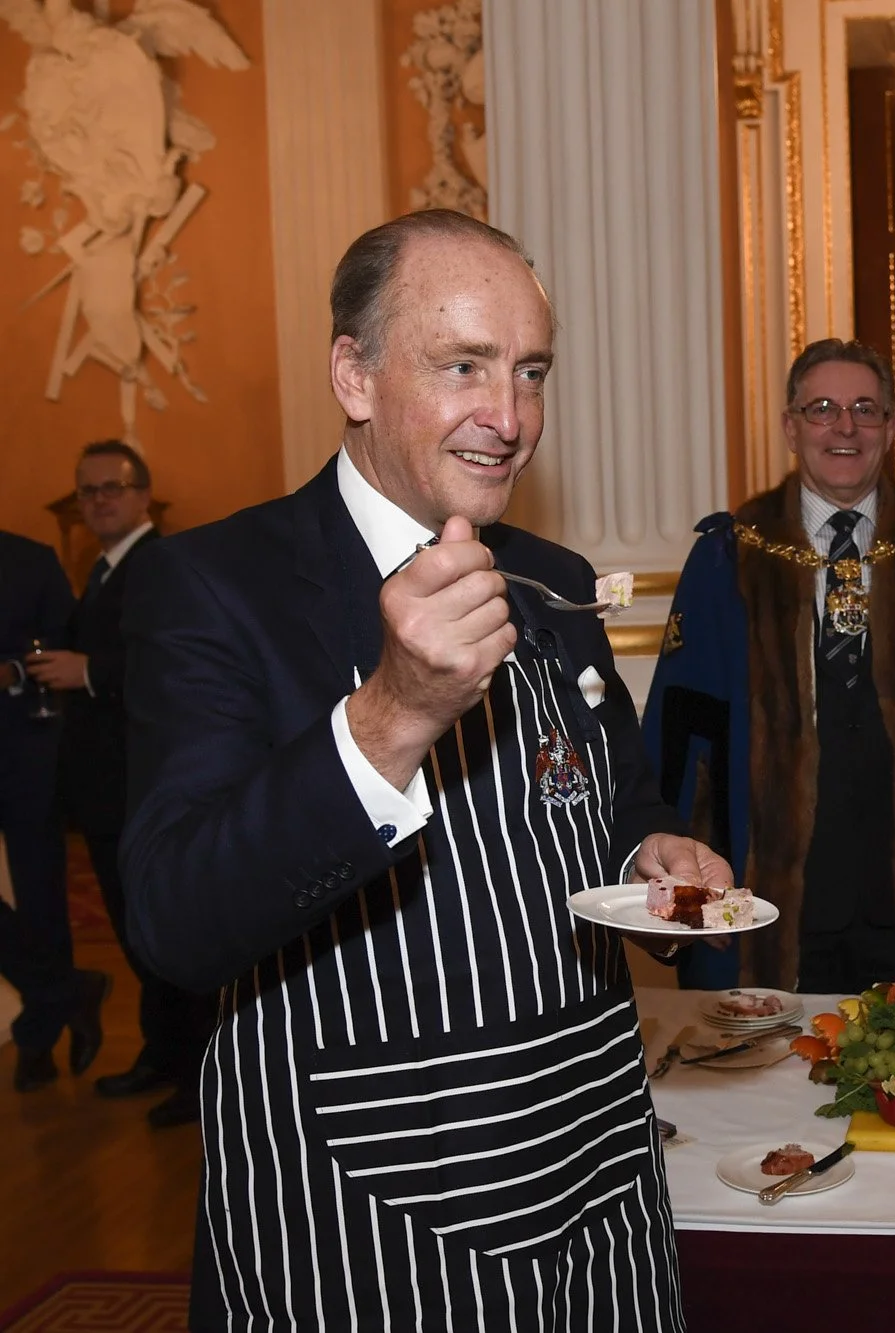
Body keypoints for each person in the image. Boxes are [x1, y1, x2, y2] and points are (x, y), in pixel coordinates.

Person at [120, 210, 727, 1330]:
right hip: (363, 1212)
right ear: (353, 374)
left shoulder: (552, 577)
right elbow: (173, 920)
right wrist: (396, 711)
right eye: (463, 366)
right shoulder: (211, 588)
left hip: (599, 1177)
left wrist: (651, 849)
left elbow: (607, 794)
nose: (509, 418)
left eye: (529, 370)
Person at [643, 339, 895, 994]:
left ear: (892, 426)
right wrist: (682, 899)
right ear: (790, 425)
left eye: (865, 409)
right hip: (766, 891)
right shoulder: (730, 556)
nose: (845, 427)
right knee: (759, 1084)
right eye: (823, 409)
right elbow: (681, 734)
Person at [25, 441, 206, 1127]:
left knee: (160, 931)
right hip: (103, 783)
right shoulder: (103, 568)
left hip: (139, 781)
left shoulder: (160, 561)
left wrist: (90, 672)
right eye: (87, 491)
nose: (98, 500)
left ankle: (196, 1070)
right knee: (136, 933)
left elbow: (170, 660)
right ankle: (162, 1054)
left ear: (141, 494)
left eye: (111, 487)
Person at [0, 530, 108, 1091]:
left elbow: (63, 646)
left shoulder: (28, 558)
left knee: (38, 890)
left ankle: (39, 1038)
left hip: (24, 745)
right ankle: (63, 990)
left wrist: (14, 671)